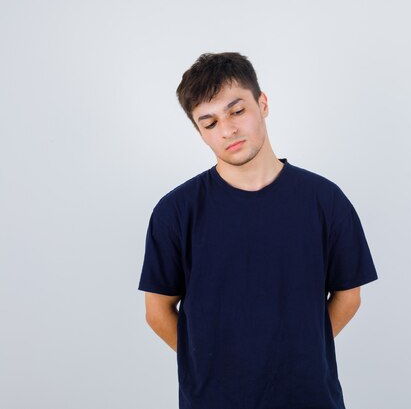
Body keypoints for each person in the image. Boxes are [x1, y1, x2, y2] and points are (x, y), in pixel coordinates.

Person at [138, 51, 379, 409]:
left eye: (237, 111)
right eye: (210, 122)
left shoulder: (324, 201)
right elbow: (157, 312)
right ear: (199, 131)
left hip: (309, 398)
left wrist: (300, 355)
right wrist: (208, 365)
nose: (228, 129)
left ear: (262, 103)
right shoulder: (176, 212)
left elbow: (349, 295)